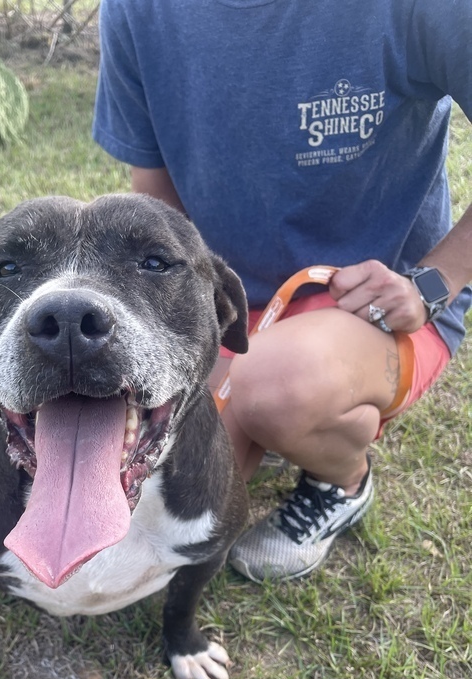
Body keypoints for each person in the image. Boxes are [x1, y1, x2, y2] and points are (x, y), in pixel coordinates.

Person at [92, 0, 472, 582]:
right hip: (229, 306)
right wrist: (178, 332)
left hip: (377, 306)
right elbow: (153, 191)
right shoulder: (136, 10)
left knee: (273, 389)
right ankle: (252, 418)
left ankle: (342, 481)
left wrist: (434, 281)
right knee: (172, 510)